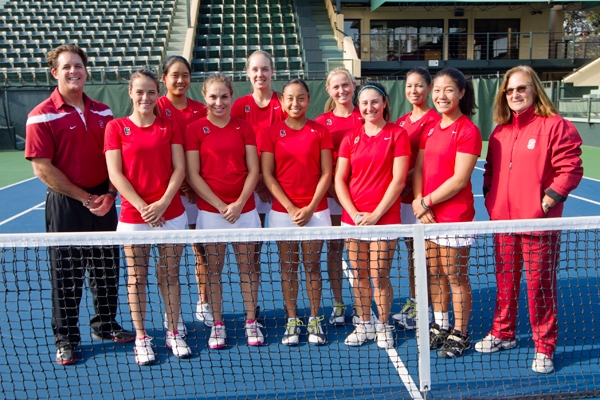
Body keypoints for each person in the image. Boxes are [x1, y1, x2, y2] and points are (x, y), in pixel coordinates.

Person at [25, 44, 134, 365]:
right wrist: (85, 198)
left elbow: (116, 158)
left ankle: (105, 323)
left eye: (79, 66)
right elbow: (42, 168)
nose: (74, 71)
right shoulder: (40, 115)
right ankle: (67, 338)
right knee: (67, 273)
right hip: (67, 204)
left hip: (104, 198)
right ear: (55, 73)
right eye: (67, 67)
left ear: (86, 71)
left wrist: (110, 194)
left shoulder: (103, 111)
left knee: (106, 267)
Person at [477, 65, 583, 374]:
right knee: (505, 283)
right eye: (509, 90)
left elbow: (571, 169)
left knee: (539, 287)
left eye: (521, 88)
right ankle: (503, 332)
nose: (515, 95)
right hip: (504, 224)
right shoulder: (500, 131)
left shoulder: (555, 125)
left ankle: (544, 347)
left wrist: (547, 203)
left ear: (534, 89)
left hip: (539, 225)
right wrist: (492, 201)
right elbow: (491, 173)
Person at [104, 69, 191, 365]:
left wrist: (163, 203)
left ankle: (173, 332)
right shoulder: (115, 128)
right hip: (133, 216)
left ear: (158, 93)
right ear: (130, 92)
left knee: (170, 274)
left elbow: (179, 169)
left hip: (172, 213)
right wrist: (144, 207)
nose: (145, 97)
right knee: (137, 277)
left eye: (151, 92)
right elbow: (115, 174)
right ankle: (142, 337)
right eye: (140, 91)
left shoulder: (169, 126)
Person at [184, 73, 263, 349]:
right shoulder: (194, 129)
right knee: (213, 270)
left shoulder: (245, 128)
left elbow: (254, 170)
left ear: (232, 96)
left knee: (248, 269)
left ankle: (251, 321)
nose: (219, 102)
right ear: (205, 97)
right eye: (213, 97)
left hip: (245, 211)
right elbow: (193, 175)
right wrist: (219, 206)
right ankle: (217, 324)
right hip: (211, 213)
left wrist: (240, 203)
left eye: (224, 96)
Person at [412, 67, 481, 359]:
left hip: (455, 217)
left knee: (455, 276)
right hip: (428, 216)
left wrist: (425, 201)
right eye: (437, 90)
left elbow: (459, 180)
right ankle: (440, 326)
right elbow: (420, 169)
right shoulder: (430, 129)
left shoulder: (468, 130)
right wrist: (419, 201)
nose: (441, 95)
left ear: (462, 93)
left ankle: (460, 332)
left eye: (449, 90)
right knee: (435, 274)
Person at [335, 82, 410, 349]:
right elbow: (340, 180)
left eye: (375, 102)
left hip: (385, 219)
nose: (370, 107)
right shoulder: (349, 138)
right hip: (353, 218)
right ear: (358, 106)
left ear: (385, 102)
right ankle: (364, 323)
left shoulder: (398, 135)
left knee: (379, 275)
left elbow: (399, 180)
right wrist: (354, 213)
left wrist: (376, 214)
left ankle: (383, 324)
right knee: (360, 274)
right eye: (364, 103)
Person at [261, 79, 333, 346]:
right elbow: (268, 175)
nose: (295, 104)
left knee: (313, 267)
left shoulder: (320, 132)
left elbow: (326, 173)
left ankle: (315, 318)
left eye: (300, 98)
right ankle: (292, 319)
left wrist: (311, 206)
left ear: (309, 99)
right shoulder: (271, 133)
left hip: (316, 211)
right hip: (283, 212)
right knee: (288, 268)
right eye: (290, 98)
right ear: (281, 101)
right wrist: (291, 208)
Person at [157, 55, 213, 331]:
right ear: (164, 78)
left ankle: (203, 303)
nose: (180, 80)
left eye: (185, 75)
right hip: (166, 194)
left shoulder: (201, 110)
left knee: (201, 250)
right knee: (171, 257)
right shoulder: (155, 107)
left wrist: (193, 184)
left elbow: (207, 151)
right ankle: (172, 315)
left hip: (196, 192)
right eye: (174, 75)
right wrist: (177, 185)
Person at [231, 50, 286, 321]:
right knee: (252, 253)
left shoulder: (284, 102)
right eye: (254, 69)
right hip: (250, 188)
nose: (259, 74)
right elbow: (235, 147)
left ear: (272, 71)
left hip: (278, 188)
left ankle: (291, 308)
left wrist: (268, 181)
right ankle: (252, 309)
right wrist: (257, 183)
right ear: (248, 73)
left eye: (264, 69)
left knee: (287, 253)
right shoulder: (239, 105)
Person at [392, 67, 440, 330]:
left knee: (426, 256)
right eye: (410, 86)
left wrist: (402, 182)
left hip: (421, 198)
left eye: (419, 85)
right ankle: (415, 301)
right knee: (412, 253)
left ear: (429, 88)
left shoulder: (434, 120)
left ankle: (429, 308)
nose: (414, 91)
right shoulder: (400, 122)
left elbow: (427, 163)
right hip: (403, 200)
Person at [314, 67, 362, 326]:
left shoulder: (365, 116)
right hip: (332, 196)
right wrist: (336, 190)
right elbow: (322, 166)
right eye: (336, 87)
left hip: (362, 199)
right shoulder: (322, 122)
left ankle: (360, 305)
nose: (342, 91)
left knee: (360, 255)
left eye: (346, 85)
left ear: (354, 85)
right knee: (334, 251)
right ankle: (338, 303)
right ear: (328, 91)